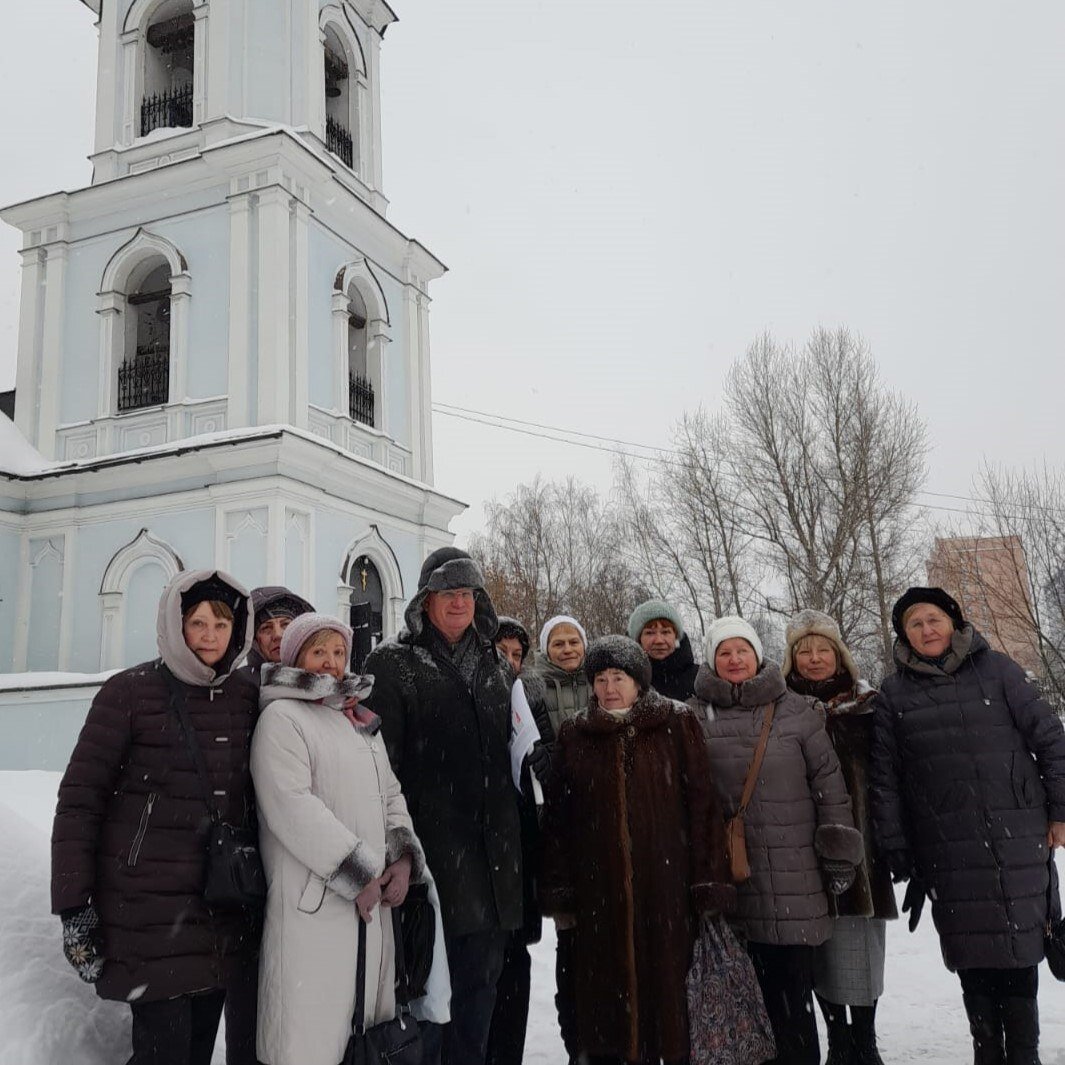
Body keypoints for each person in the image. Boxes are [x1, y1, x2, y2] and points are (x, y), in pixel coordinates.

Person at [51, 569, 261, 1065]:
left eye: (222, 624)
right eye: (198, 622)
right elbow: (81, 801)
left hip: (219, 907)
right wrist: (74, 906)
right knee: (162, 1052)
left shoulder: (245, 697)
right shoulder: (130, 693)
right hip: (146, 910)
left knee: (195, 1050)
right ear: (175, 623)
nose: (210, 636)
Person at [870, 587, 1065, 1065]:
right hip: (946, 848)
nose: (926, 630)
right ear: (904, 635)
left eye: (934, 619)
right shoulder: (893, 693)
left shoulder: (997, 670)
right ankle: (987, 1054)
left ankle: (1024, 1055)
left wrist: (1059, 810)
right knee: (971, 957)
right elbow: (885, 778)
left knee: (1021, 953)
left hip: (1016, 839)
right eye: (914, 624)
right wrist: (896, 844)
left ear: (953, 623)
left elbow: (1051, 738)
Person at [251, 613, 441, 1065]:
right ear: (297, 656)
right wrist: (359, 873)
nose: (331, 663)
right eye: (319, 652)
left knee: (364, 1040)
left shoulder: (358, 720)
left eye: (338, 652)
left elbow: (389, 794)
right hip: (314, 908)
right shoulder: (282, 718)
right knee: (312, 1038)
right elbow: (293, 807)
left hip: (370, 909)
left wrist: (401, 858)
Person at [541, 635, 734, 1065]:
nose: (610, 687)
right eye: (602, 678)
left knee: (669, 1007)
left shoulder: (675, 723)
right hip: (599, 898)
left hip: (667, 893)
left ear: (639, 682)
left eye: (620, 677)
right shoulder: (576, 733)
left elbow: (702, 807)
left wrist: (708, 882)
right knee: (605, 1013)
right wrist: (561, 892)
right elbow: (558, 821)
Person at [364, 547, 523, 1065]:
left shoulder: (497, 664)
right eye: (448, 593)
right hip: (428, 869)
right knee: (424, 1009)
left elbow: (514, 748)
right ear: (425, 599)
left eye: (468, 593)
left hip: (493, 872)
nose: (460, 603)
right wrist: (395, 849)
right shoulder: (393, 664)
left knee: (478, 1003)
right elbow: (376, 768)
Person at [692, 615, 863, 1065]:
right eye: (724, 652)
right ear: (711, 658)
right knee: (742, 1011)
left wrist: (839, 854)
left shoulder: (797, 712)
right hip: (729, 882)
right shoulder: (691, 717)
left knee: (792, 1006)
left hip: (795, 884)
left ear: (758, 655)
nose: (734, 659)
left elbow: (830, 786)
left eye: (742, 650)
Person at [783, 609, 897, 1065]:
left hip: (864, 845)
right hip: (803, 845)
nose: (814, 658)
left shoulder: (869, 706)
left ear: (839, 654)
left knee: (862, 949)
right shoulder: (783, 709)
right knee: (820, 949)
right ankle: (837, 1040)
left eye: (823, 649)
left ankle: (865, 1039)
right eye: (804, 651)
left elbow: (890, 774)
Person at [529, 613, 590, 1062]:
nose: (567, 649)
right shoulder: (533, 688)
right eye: (559, 643)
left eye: (573, 641)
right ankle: (577, 1037)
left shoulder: (601, 683)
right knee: (570, 935)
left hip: (600, 822)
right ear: (545, 648)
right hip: (556, 823)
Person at [486, 616, 546, 1065]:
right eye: (500, 653)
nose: (508, 663)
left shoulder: (529, 706)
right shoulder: (474, 702)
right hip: (483, 872)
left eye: (516, 655)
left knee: (514, 976)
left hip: (519, 865)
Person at [627, 598, 699, 702]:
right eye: (650, 633)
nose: (659, 640)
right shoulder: (625, 680)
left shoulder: (700, 680)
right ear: (639, 639)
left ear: (676, 636)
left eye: (665, 632)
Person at [241, 586, 314, 681]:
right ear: (253, 639)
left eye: (285, 625)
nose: (278, 635)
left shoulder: (320, 679)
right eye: (266, 628)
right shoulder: (239, 685)